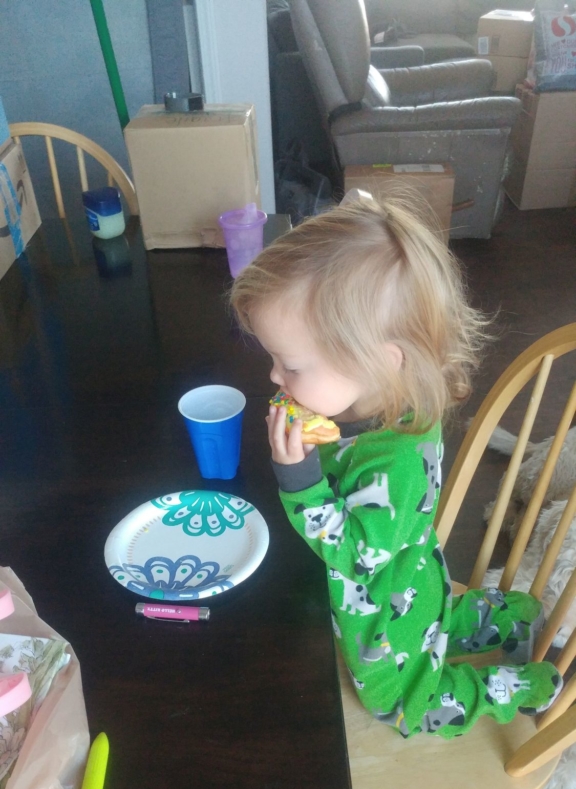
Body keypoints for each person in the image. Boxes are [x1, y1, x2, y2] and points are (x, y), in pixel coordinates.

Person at [230, 196, 562, 738]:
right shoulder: (380, 402)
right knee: (436, 617)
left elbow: (359, 558)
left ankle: (506, 688)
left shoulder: (397, 462)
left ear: (378, 362)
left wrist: (301, 484)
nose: (275, 377)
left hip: (383, 614)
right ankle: (508, 617)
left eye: (290, 364)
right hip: (415, 575)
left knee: (406, 707)